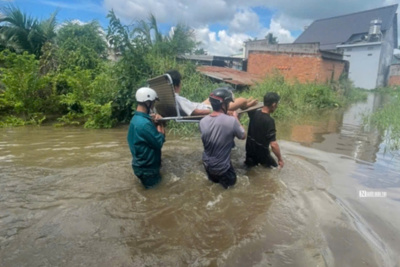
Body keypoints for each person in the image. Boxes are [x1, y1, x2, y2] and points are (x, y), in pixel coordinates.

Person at [199, 87, 247, 189]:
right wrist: (235, 118)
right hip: (223, 170)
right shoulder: (231, 121)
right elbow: (243, 135)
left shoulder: (202, 121)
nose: (229, 105)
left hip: (208, 167)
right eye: (228, 103)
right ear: (223, 105)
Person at [166, 70, 258, 116]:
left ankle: (245, 103)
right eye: (180, 83)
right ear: (176, 86)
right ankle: (245, 104)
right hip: (213, 107)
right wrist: (214, 111)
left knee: (212, 96)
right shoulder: (178, 99)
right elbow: (197, 111)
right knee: (241, 99)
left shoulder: (169, 97)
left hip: (201, 105)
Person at [127, 87, 165, 188]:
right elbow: (159, 142)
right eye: (152, 103)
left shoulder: (136, 119)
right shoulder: (144, 124)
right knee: (155, 196)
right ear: (147, 103)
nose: (153, 106)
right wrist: (160, 124)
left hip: (140, 166)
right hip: (148, 170)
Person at [245, 92, 284, 169]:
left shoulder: (253, 112)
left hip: (249, 153)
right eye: (277, 104)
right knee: (277, 169)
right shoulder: (269, 121)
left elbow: (246, 106)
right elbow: (273, 145)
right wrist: (280, 159)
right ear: (274, 105)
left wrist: (251, 103)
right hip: (262, 156)